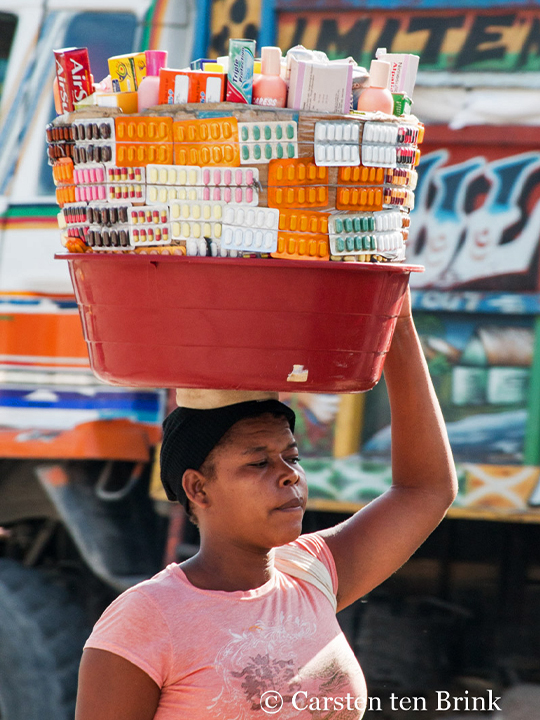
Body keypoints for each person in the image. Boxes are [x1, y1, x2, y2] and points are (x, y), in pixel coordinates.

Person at [75, 289, 457, 720]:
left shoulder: (311, 573)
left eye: (292, 457)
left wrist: (397, 323)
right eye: (258, 462)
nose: (290, 473)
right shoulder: (146, 618)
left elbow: (426, 489)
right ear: (199, 489)